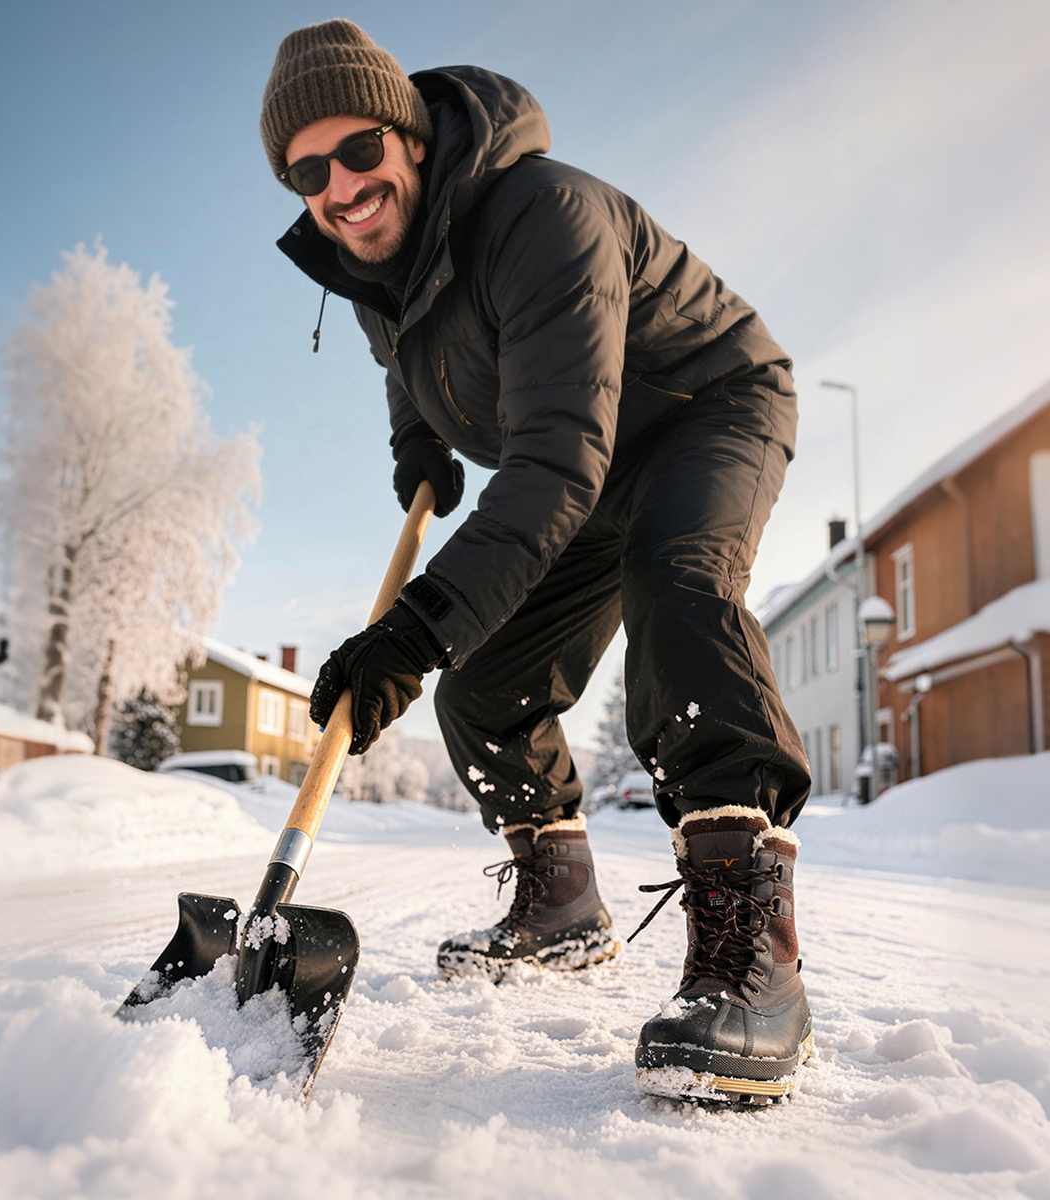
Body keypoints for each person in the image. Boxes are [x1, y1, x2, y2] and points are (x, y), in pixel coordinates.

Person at [261, 19, 813, 1103]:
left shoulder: (543, 213)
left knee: (675, 589)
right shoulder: (375, 265)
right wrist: (417, 443)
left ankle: (756, 960)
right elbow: (405, 357)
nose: (341, 188)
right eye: (307, 171)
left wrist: (413, 630)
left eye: (360, 150)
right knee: (483, 684)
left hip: (703, 410)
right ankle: (561, 904)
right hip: (584, 467)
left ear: (414, 139)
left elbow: (556, 461)